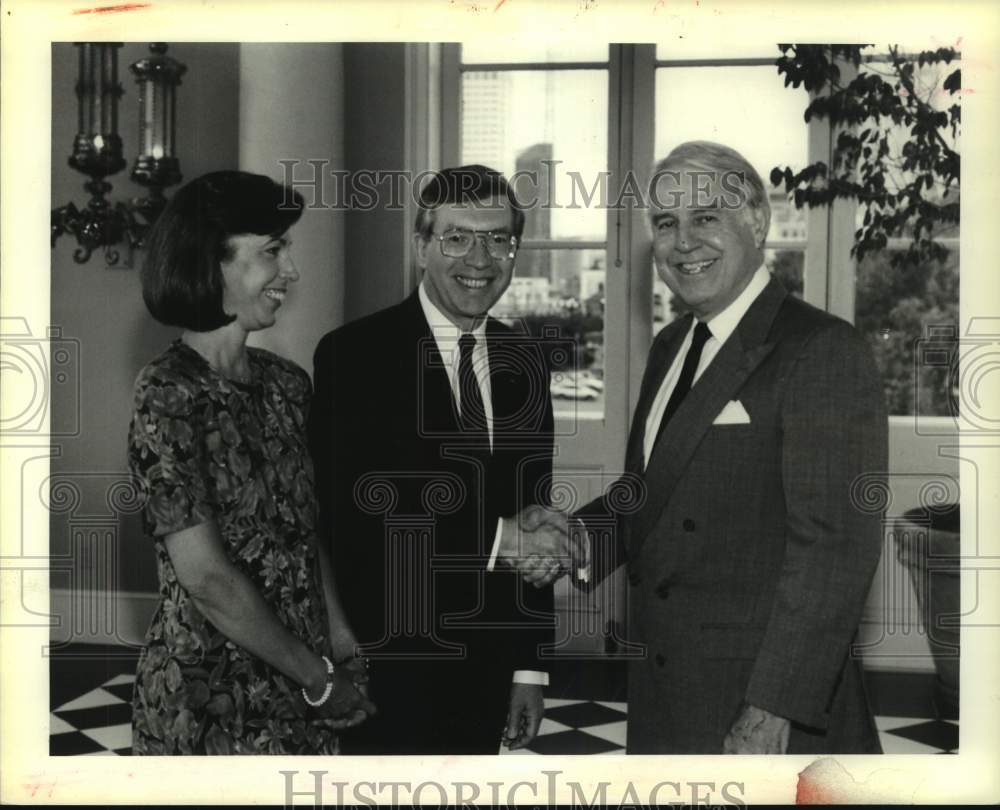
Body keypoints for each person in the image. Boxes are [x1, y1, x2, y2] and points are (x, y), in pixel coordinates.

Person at [503, 141, 888, 754]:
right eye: (666, 223)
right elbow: (649, 500)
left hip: (760, 704)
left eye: (705, 217)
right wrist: (570, 537)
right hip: (666, 690)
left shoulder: (821, 350)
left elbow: (834, 550)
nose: (683, 241)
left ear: (757, 221)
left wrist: (771, 708)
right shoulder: (671, 345)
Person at [308, 165, 556, 754]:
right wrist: (500, 540)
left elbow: (533, 511)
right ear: (422, 246)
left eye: (499, 238)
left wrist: (529, 669)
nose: (480, 257)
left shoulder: (526, 362)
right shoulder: (354, 354)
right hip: (381, 664)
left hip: (488, 670)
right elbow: (353, 512)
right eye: (457, 236)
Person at [127, 170, 375, 755]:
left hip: (303, 680)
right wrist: (319, 680)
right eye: (272, 251)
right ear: (210, 264)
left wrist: (340, 642)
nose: (290, 270)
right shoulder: (166, 392)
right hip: (209, 693)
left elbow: (304, 531)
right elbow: (207, 579)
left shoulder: (287, 384)